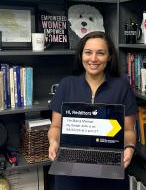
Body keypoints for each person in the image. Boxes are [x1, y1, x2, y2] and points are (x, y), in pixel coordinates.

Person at [48, 31, 137, 190]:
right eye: (88, 52)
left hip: (109, 164)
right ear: (81, 55)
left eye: (100, 53)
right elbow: (55, 127)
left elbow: (129, 130)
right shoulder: (66, 85)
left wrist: (129, 148)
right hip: (71, 163)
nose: (93, 59)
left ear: (109, 57)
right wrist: (53, 142)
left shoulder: (122, 87)